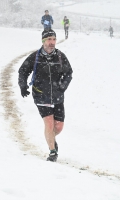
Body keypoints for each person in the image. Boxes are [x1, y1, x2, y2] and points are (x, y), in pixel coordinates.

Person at [18, 29, 73, 162]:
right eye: (49, 40)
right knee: (49, 124)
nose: (52, 42)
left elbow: (68, 73)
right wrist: (23, 85)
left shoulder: (60, 56)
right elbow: (23, 71)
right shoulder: (35, 57)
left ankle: (51, 140)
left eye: (54, 39)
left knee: (58, 126)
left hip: (57, 95)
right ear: (43, 41)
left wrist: (62, 86)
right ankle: (52, 151)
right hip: (41, 95)